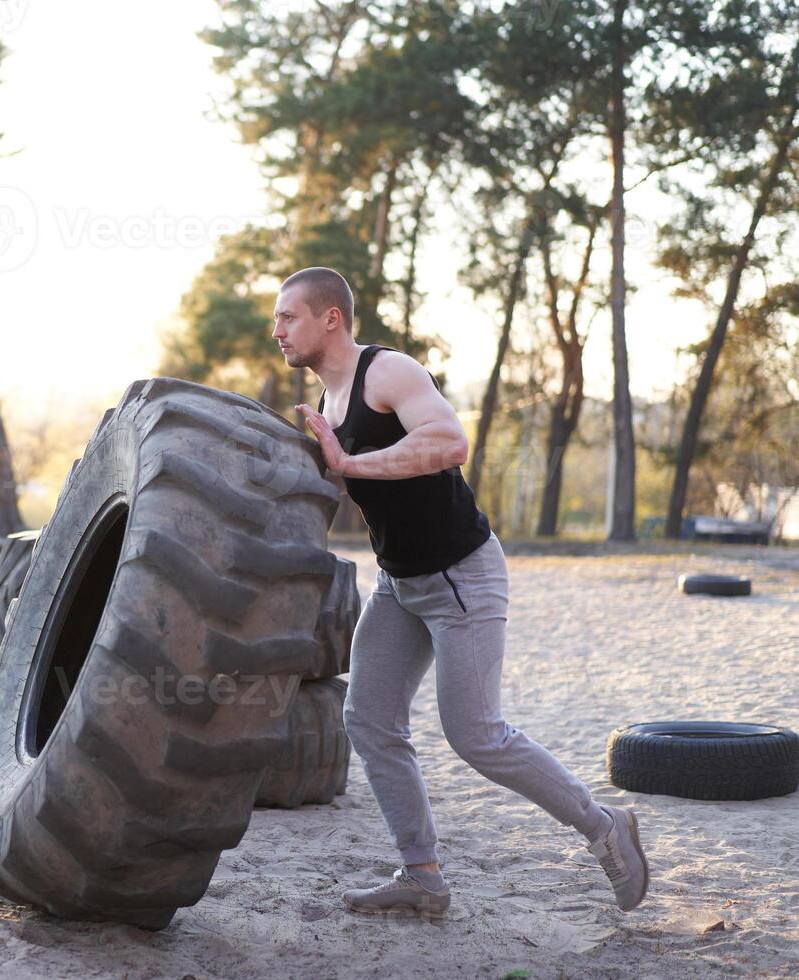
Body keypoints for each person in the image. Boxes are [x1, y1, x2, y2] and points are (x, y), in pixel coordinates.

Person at [271, 266, 650, 920]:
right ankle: (422, 876)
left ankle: (604, 826)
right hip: (399, 583)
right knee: (366, 717)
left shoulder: (386, 373)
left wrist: (352, 464)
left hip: (461, 575)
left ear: (331, 318)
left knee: (476, 733)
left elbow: (450, 442)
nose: (276, 330)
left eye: (289, 317)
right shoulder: (329, 406)